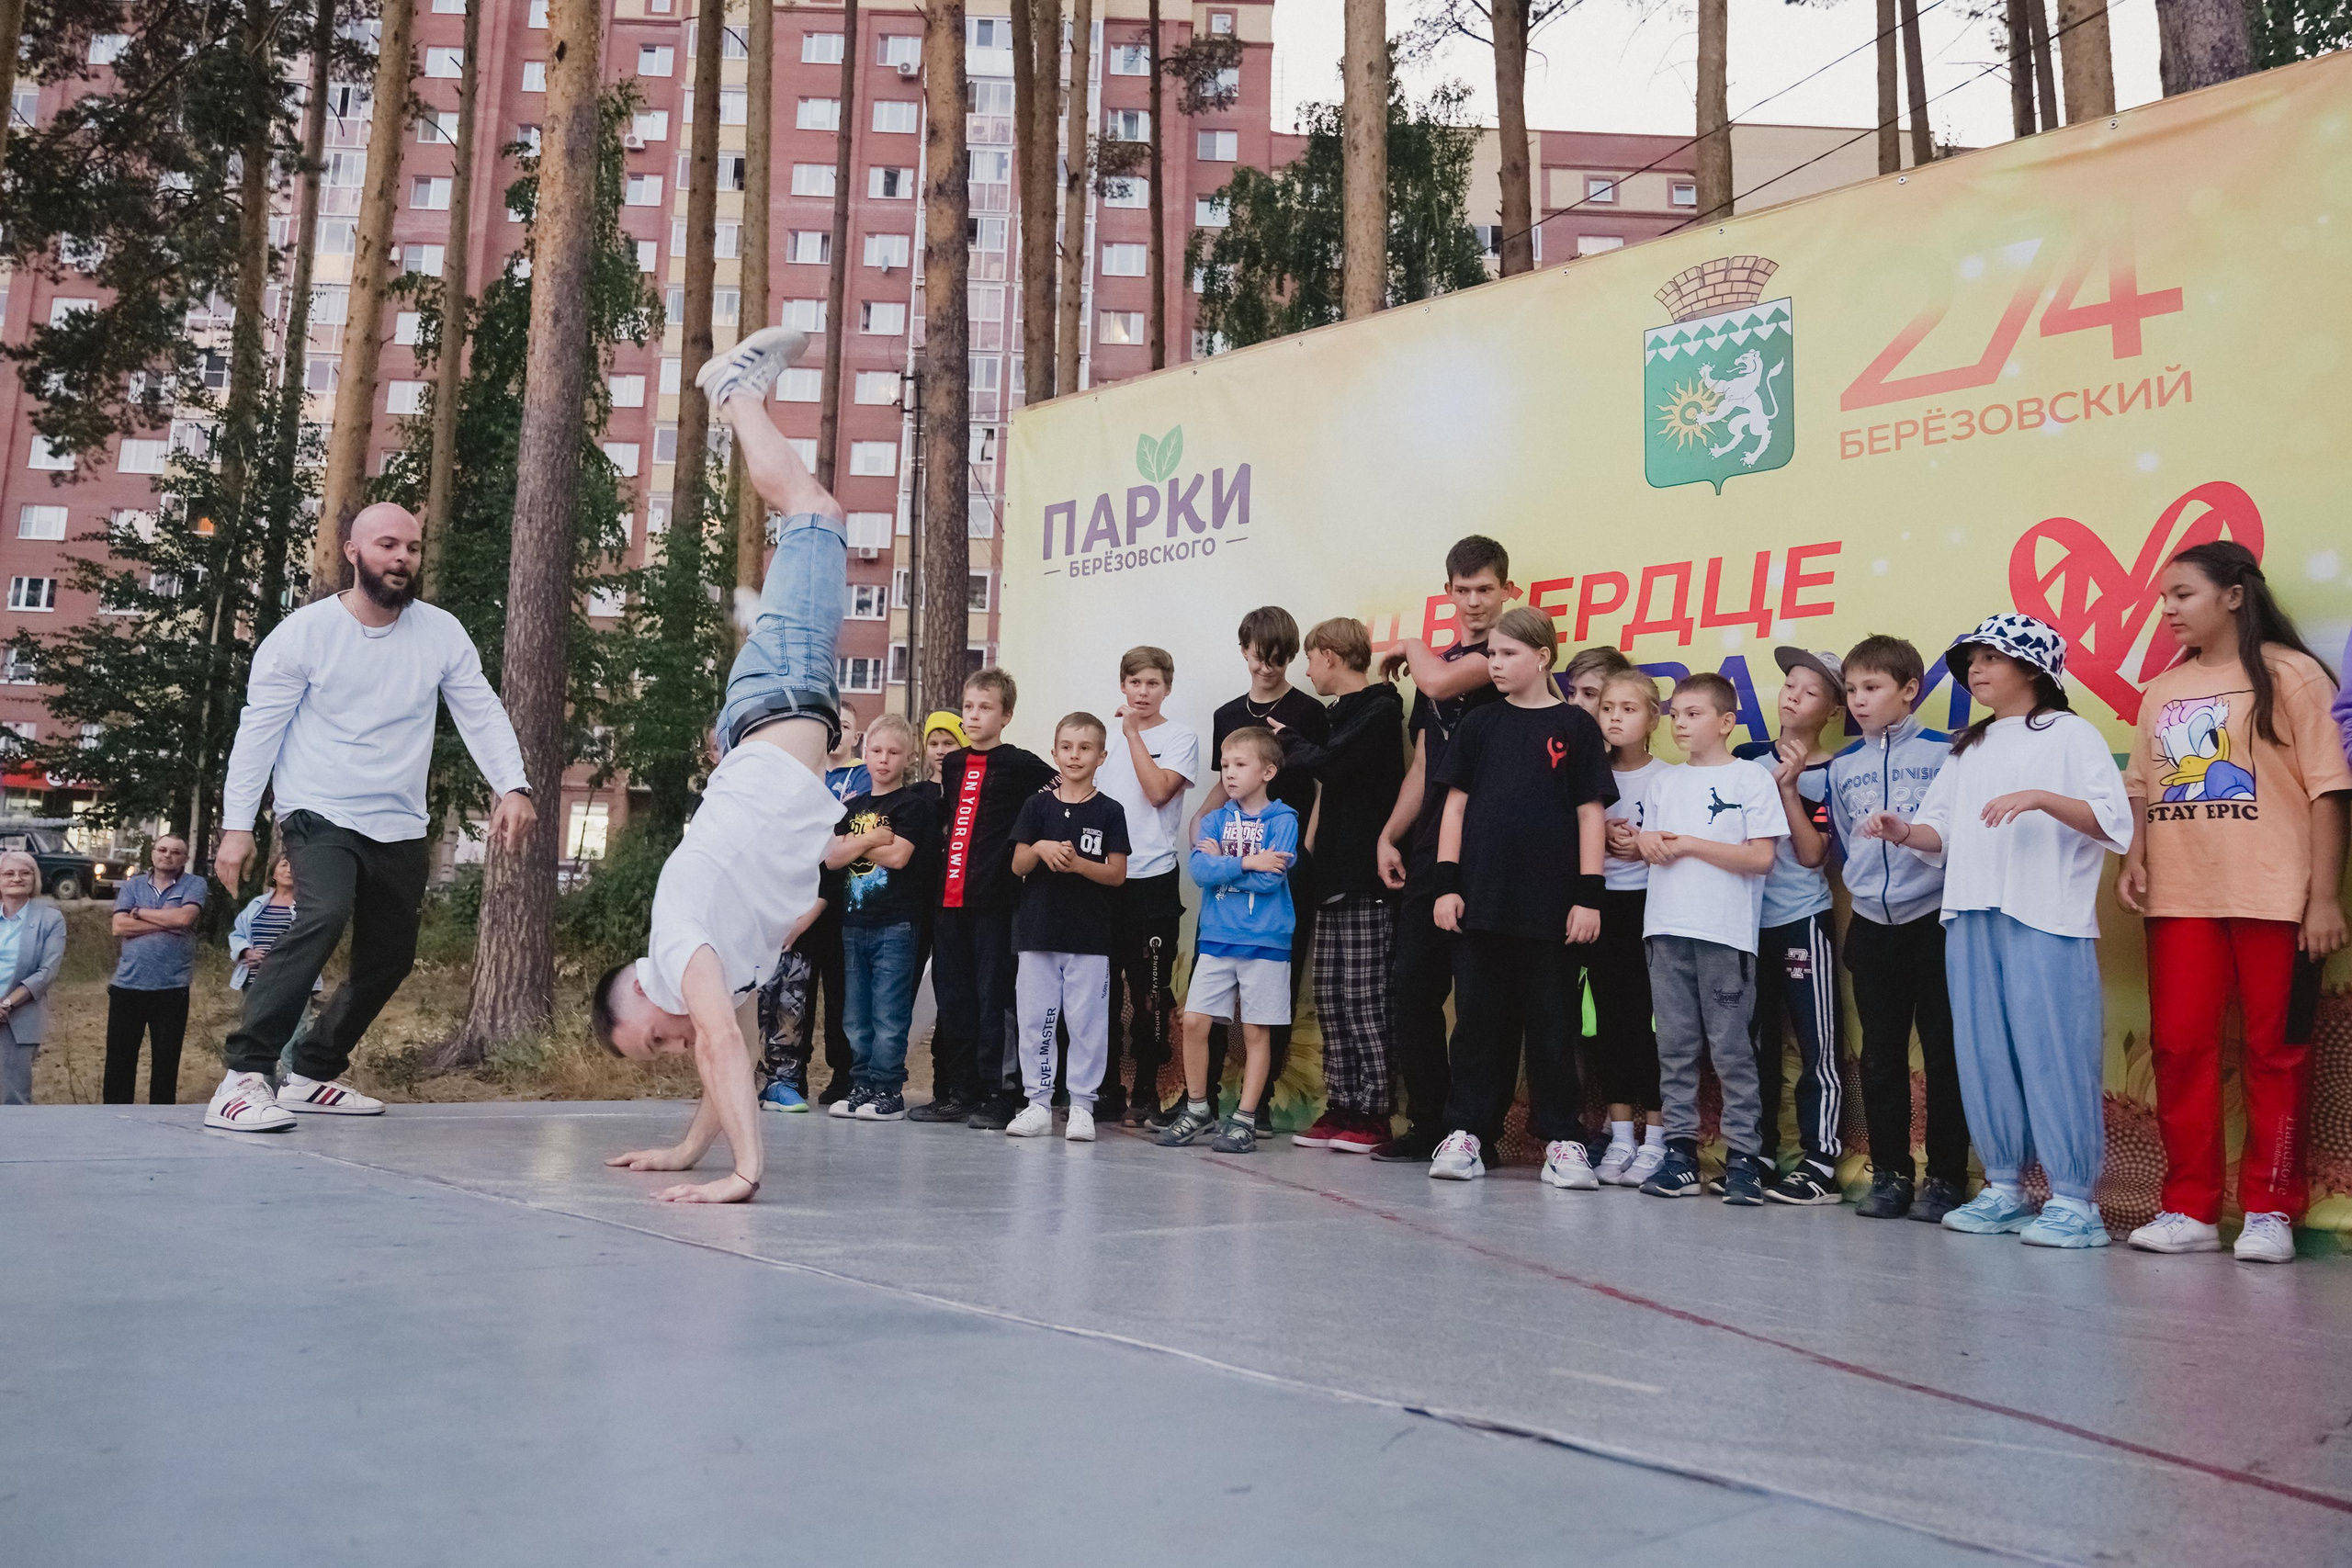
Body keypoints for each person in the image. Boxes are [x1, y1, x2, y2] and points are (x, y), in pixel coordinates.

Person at [590, 326, 856, 1203]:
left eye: (651, 1038)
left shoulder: (678, 944)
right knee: (814, 516)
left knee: (816, 514)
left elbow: (717, 1043)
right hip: (777, 711)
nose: (671, 1046)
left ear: (638, 988)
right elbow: (724, 1050)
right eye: (661, 1052)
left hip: (779, 695)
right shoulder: (722, 963)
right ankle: (741, 395)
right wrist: (685, 1151)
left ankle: (735, 390)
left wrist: (743, 1171)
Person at [210, 502, 533, 1132]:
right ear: (353, 551)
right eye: (387, 545)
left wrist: (512, 786)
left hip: (400, 819)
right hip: (319, 809)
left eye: (411, 547)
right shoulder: (304, 635)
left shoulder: (440, 632)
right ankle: (243, 1077)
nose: (402, 558)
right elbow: (259, 730)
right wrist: (236, 826)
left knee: (391, 955)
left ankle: (310, 1073)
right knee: (324, 914)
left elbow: (481, 710)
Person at [1861, 615, 2134, 1249]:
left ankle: (2075, 1201)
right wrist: (1903, 831)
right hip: (1971, 912)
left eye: (1991, 658)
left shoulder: (2073, 735)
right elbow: (1939, 831)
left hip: (2045, 915)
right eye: (1972, 661)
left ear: (2033, 668)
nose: (1976, 670)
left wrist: (2040, 797)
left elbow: (2111, 820)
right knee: (1984, 1054)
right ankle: (2005, 1187)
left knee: (2055, 1052)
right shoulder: (1970, 747)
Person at [2117, 544, 2350, 1263]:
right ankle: (2188, 1207)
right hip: (2181, 899)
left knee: (2276, 1053)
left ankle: (2271, 1208)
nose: (2168, 610)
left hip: (2277, 899)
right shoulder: (2162, 689)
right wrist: (2135, 855)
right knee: (2180, 1050)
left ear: (2235, 595)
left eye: (2182, 594)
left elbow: (2329, 790)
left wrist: (2323, 898)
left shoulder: (2292, 674)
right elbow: (2141, 786)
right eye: (2164, 598)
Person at [1424, 608, 1613, 1186]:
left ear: (1543, 658)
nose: (1495, 664)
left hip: (1553, 912)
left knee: (1553, 1028)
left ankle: (1562, 1139)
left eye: (1508, 654)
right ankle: (1467, 1133)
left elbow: (1590, 814)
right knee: (1479, 1026)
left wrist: (1589, 896)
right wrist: (1447, 885)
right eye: (1491, 654)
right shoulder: (1480, 724)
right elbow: (1454, 808)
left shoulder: (1576, 726)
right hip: (1481, 905)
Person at [1371, 536, 1514, 1161]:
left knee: (1481, 997)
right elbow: (1424, 765)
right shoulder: (1441, 662)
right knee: (1411, 985)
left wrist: (1408, 643)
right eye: (1464, 590)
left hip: (1490, 850)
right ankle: (1429, 1121)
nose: (1475, 600)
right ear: (1449, 592)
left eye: (1486, 589)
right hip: (1431, 849)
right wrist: (1389, 834)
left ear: (1507, 591)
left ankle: (1475, 1129)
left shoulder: (1506, 657)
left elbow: (1435, 677)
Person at [1825, 635, 1966, 1222]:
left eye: (1872, 687)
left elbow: (1958, 835)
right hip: (1871, 925)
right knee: (1880, 1057)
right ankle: (1889, 1174)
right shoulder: (1842, 767)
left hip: (1933, 922)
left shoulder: (1948, 753)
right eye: (1852, 689)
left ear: (1910, 690)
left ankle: (1947, 1177)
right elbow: (1844, 840)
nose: (1859, 700)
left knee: (1944, 1055)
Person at [1636, 673, 1788, 1204]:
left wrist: (1688, 844)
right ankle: (1679, 1154)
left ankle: (1745, 1156)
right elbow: (1650, 847)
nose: (1680, 723)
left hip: (1724, 933)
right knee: (1674, 1046)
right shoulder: (1663, 783)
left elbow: (1761, 858)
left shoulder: (1751, 779)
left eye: (1694, 713)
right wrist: (1644, 842)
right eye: (1675, 714)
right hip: (1665, 930)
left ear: (1726, 722)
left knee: (1732, 1049)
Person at [1188, 607, 1329, 1133]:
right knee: (1210, 991)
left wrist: (1306, 849)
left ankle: (1259, 1106)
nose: (1266, 668)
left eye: (1276, 659)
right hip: (1229, 868)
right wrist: (1200, 821)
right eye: (1257, 657)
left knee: (1273, 992)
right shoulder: (1228, 713)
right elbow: (1224, 782)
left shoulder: (1309, 711)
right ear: (1243, 650)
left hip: (1287, 857)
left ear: (1290, 656)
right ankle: (1204, 1100)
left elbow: (1322, 783)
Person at [1283, 616, 1408, 1154]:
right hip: (1331, 874)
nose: (1309, 671)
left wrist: (1286, 739)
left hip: (1365, 877)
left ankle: (1374, 1112)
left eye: (1311, 659)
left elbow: (1333, 768)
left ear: (1331, 656)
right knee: (1332, 999)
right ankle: (1342, 1104)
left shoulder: (1380, 708)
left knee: (1364, 999)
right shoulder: (1337, 715)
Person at [911, 667, 1056, 1128]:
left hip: (995, 900)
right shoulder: (953, 765)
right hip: (948, 899)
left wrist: (1029, 843)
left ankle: (999, 1093)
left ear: (1006, 715)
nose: (973, 716)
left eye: (985, 708)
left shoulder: (1021, 763)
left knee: (994, 998)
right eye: (968, 707)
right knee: (954, 999)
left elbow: (1060, 792)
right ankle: (960, 1092)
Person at [1733, 648, 1847, 1206]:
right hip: (1742, 924)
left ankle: (1820, 1162)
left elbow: (1811, 855)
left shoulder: (1834, 772)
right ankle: (1755, 1155)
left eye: (1812, 691)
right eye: (1790, 685)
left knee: (1817, 1045)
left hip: (1802, 920)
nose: (1794, 696)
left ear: (1833, 711)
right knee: (1752, 1044)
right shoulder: (1743, 757)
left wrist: (1787, 789)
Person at [1159, 728, 1300, 1153]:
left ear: (1268, 771)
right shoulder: (1214, 820)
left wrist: (1227, 862)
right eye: (1224, 765)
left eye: (1240, 764)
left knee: (1256, 1031)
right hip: (1217, 940)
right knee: (1195, 1022)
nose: (1229, 773)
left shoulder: (1283, 820)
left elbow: (1271, 880)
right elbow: (1200, 871)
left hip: (1265, 943)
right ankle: (1198, 1108)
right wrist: (1249, 862)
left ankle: (1245, 1119)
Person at [1008, 713, 1131, 1140]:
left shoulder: (1110, 810)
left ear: (1101, 756)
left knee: (1087, 1025)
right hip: (1037, 935)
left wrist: (1079, 864)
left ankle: (1082, 1105)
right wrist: (1040, 848)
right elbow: (1017, 864)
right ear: (1054, 752)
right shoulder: (1036, 806)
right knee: (1035, 1021)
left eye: (1085, 748)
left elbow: (1117, 874)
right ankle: (1038, 1103)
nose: (1075, 755)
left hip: (1089, 938)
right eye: (1066, 747)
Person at [1095, 647, 1200, 1126]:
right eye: (1134, 682)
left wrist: (1134, 734)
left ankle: (1147, 1093)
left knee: (1151, 991)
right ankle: (1106, 1090)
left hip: (1152, 879)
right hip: (1104, 878)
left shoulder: (1180, 737)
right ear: (1122, 685)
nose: (1142, 692)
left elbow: (1158, 792)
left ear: (1167, 688)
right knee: (1102, 991)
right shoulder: (1103, 739)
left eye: (1152, 683)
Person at [822, 715, 937, 1122]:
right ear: (864, 752)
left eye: (893, 752)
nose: (883, 759)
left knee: (888, 1014)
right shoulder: (853, 806)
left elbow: (900, 856)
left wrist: (853, 844)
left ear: (909, 757)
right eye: (876, 750)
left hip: (896, 924)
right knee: (855, 1015)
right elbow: (831, 858)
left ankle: (888, 1090)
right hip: (854, 925)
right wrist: (871, 838)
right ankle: (861, 1085)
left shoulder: (913, 806)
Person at [1593, 669, 1669, 1186]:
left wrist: (1643, 844)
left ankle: (1658, 1138)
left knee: (1654, 1024)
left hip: (1653, 907)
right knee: (1611, 1023)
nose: (1616, 718)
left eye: (1629, 708)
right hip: (1602, 907)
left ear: (1653, 719)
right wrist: (1597, 832)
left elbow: (1680, 842)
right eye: (1607, 708)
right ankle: (1620, 1135)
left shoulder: (1669, 777)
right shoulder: (1588, 773)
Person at [105, 836, 207, 1107]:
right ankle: (113, 1119)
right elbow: (119, 926)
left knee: (166, 1063)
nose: (168, 855)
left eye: (176, 852)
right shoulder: (133, 885)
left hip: (171, 987)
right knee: (119, 1062)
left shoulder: (194, 884)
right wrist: (167, 922)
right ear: (153, 853)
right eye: (162, 849)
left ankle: (162, 1120)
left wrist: (138, 912)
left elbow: (184, 918)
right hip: (128, 985)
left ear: (185, 858)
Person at [228, 853, 325, 1076]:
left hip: (295, 981)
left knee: (293, 1040)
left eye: (296, 865)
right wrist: (246, 951)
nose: (290, 869)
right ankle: (261, 1087)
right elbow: (238, 934)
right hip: (256, 981)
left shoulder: (308, 906)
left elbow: (316, 940)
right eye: (284, 865)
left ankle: (291, 1087)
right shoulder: (256, 905)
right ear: (273, 873)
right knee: (257, 1039)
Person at [0, 851, 66, 1105]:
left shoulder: (51, 919)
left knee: (13, 1099)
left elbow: (46, 972)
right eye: (9, 873)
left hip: (18, 1018)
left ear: (34, 878)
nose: (17, 878)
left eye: (25, 873)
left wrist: (7, 1004)